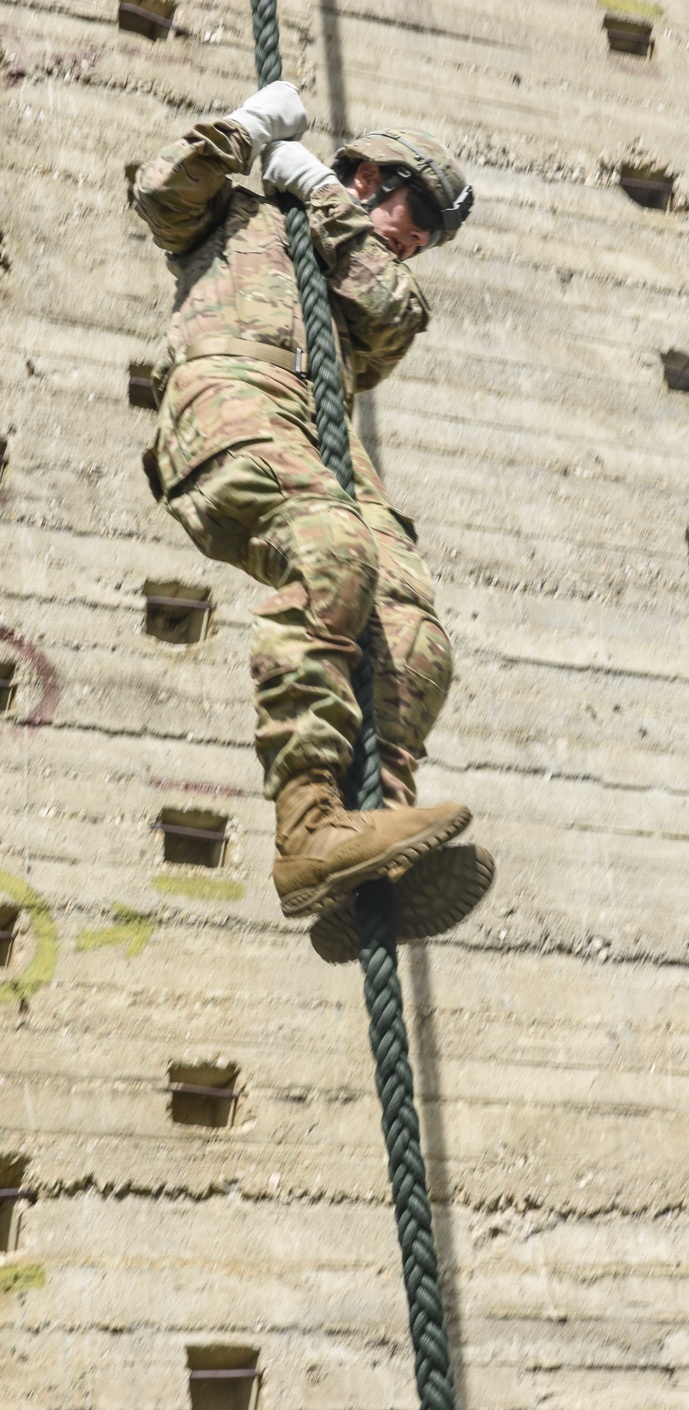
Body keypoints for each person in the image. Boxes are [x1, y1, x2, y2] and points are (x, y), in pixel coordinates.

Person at [133, 83, 493, 945]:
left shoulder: (361, 280)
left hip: (320, 439)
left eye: (435, 233)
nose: (421, 237)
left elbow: (392, 309)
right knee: (331, 548)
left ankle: (378, 830)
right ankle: (308, 823)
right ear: (373, 173)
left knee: (413, 631)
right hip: (232, 394)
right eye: (422, 210)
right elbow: (160, 191)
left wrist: (326, 200)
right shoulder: (240, 220)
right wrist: (249, 133)